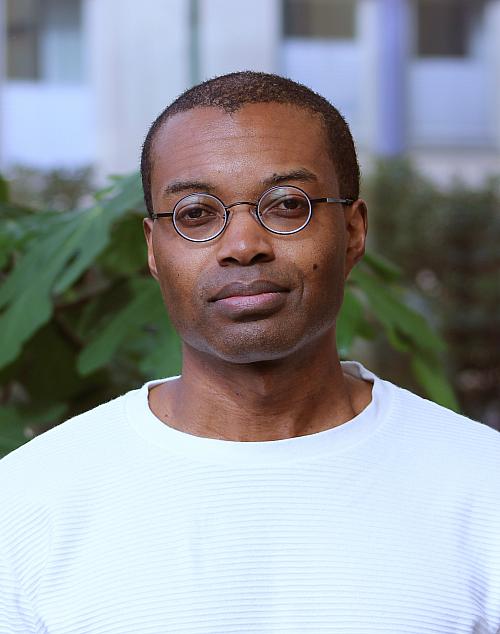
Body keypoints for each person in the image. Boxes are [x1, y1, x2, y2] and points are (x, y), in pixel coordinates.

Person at [1, 71, 499, 634]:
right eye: (195, 213)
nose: (242, 246)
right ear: (154, 250)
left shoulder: (484, 489)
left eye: (287, 205)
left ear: (354, 232)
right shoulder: (26, 503)